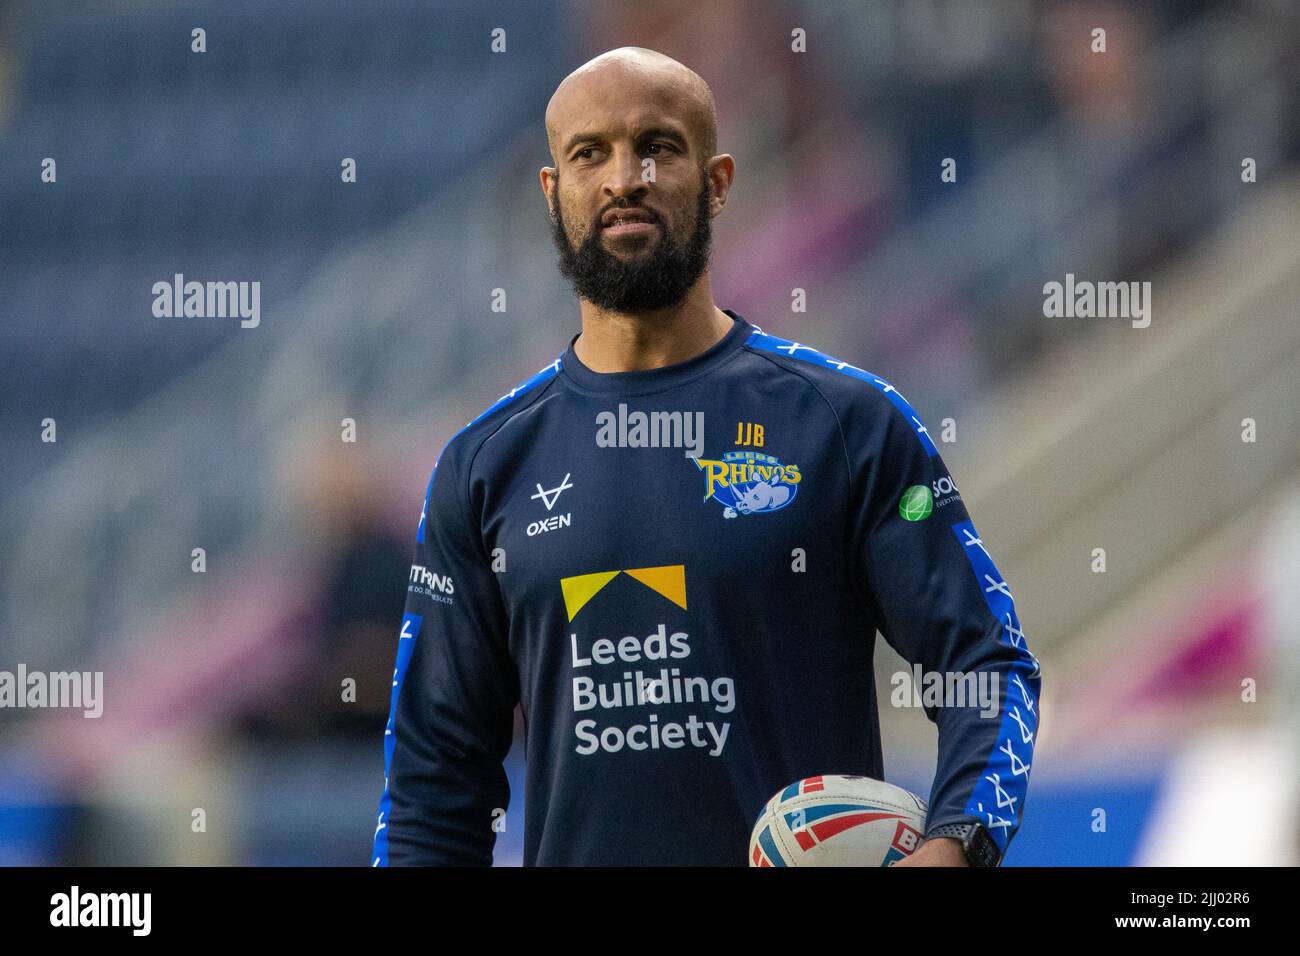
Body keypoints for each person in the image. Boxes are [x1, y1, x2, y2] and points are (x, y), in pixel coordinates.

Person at [372, 47, 1040, 866]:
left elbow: (985, 663)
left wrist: (955, 844)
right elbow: (434, 782)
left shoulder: (845, 423)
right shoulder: (484, 467)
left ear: (718, 181)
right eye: (591, 153)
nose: (626, 177)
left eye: (657, 145)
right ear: (554, 194)